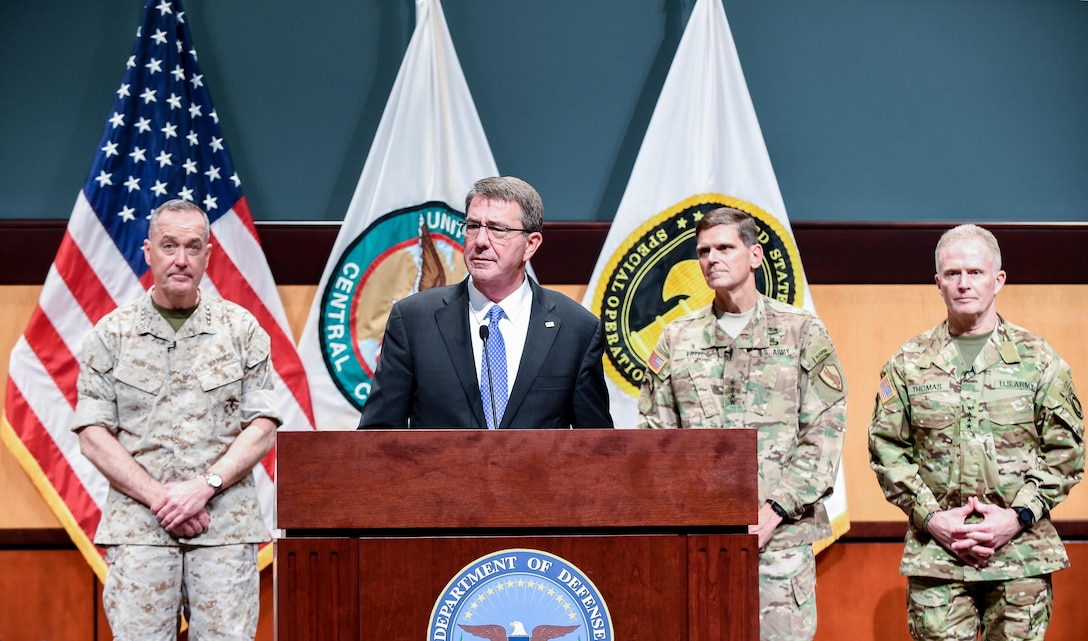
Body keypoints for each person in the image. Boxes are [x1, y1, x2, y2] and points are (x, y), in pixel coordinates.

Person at [72, 199, 280, 640]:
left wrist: (203, 487)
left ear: (208, 254)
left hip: (223, 528)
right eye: (169, 246)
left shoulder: (242, 331)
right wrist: (161, 498)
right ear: (148, 251)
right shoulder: (111, 335)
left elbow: (262, 427)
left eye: (192, 246)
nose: (180, 259)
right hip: (140, 531)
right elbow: (92, 435)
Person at [637, 207, 847, 641]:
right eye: (704, 251)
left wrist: (774, 511)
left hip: (782, 542)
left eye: (725, 247)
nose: (712, 258)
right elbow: (655, 441)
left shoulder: (800, 332)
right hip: (699, 541)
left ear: (754, 255)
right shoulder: (677, 339)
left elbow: (824, 435)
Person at [868, 224, 1084, 641]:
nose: (963, 283)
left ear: (998, 279)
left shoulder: (1039, 360)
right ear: (938, 283)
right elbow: (886, 450)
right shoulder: (908, 363)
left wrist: (1017, 516)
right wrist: (932, 519)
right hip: (939, 557)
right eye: (952, 274)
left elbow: (1066, 450)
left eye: (975, 272)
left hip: (1021, 554)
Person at [358, 176, 612, 429]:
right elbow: (378, 436)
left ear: (530, 245)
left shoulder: (576, 329)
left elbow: (596, 448)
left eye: (497, 229)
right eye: (472, 226)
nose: (480, 241)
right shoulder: (413, 320)